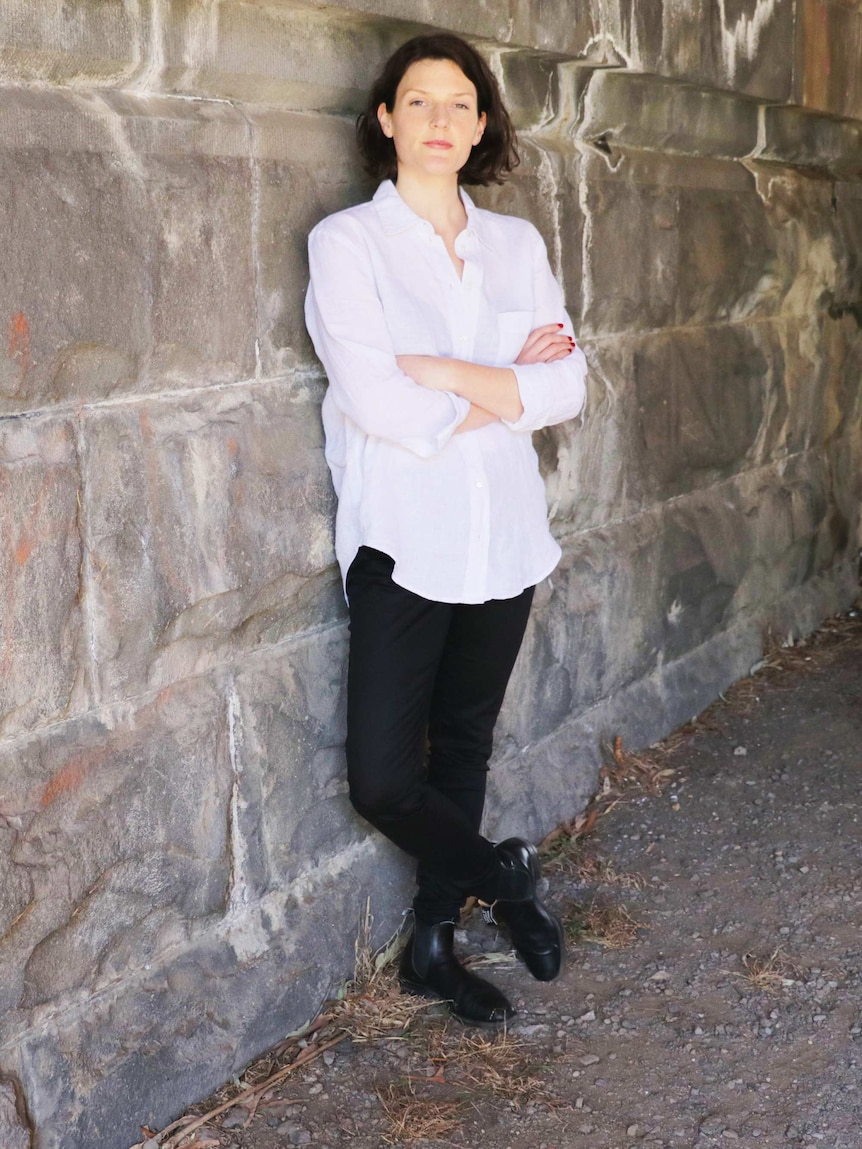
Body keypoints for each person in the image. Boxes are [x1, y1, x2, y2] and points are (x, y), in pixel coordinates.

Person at [304, 32, 587, 1027]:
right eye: (417, 101)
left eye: (457, 103)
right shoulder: (346, 243)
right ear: (386, 120)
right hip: (402, 537)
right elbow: (378, 402)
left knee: (462, 743)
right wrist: (504, 384)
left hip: (505, 534)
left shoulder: (516, 246)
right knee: (384, 776)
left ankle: (433, 942)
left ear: (480, 125)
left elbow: (567, 385)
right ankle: (503, 881)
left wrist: (449, 371)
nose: (438, 120)